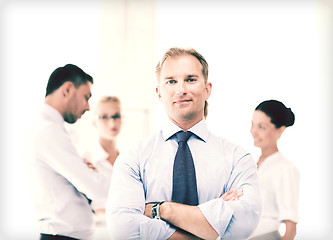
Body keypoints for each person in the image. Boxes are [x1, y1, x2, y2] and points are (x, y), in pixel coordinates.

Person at [106, 47, 262, 239]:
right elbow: (123, 229)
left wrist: (162, 210)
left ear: (207, 89)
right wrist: (213, 220)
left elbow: (244, 223)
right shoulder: (134, 158)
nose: (181, 90)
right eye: (171, 81)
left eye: (191, 79)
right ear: (159, 92)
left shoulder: (238, 158)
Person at [27, 64, 110, 240]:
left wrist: (83, 170)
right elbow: (96, 188)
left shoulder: (47, 129)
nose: (88, 107)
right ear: (67, 89)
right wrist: (89, 174)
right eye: (86, 97)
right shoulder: (48, 131)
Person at [249, 100, 300, 240]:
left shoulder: (285, 169)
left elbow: (291, 230)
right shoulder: (253, 165)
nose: (253, 132)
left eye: (262, 127)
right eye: (252, 125)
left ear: (280, 130)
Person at [83, 96, 122, 235]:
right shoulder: (86, 160)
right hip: (96, 233)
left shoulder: (128, 159)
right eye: (104, 117)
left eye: (116, 116)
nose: (112, 122)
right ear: (94, 121)